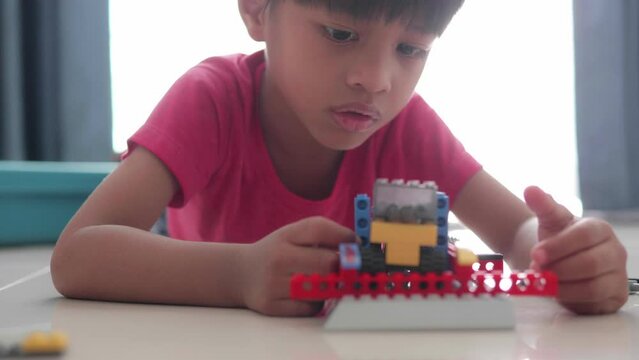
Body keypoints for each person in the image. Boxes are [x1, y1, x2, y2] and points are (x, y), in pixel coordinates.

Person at [50, 0, 628, 316]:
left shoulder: (405, 124)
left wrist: (562, 257)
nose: (375, 81)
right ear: (256, 10)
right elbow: (77, 255)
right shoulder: (213, 100)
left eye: (410, 50)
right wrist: (240, 273)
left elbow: (518, 229)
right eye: (339, 33)